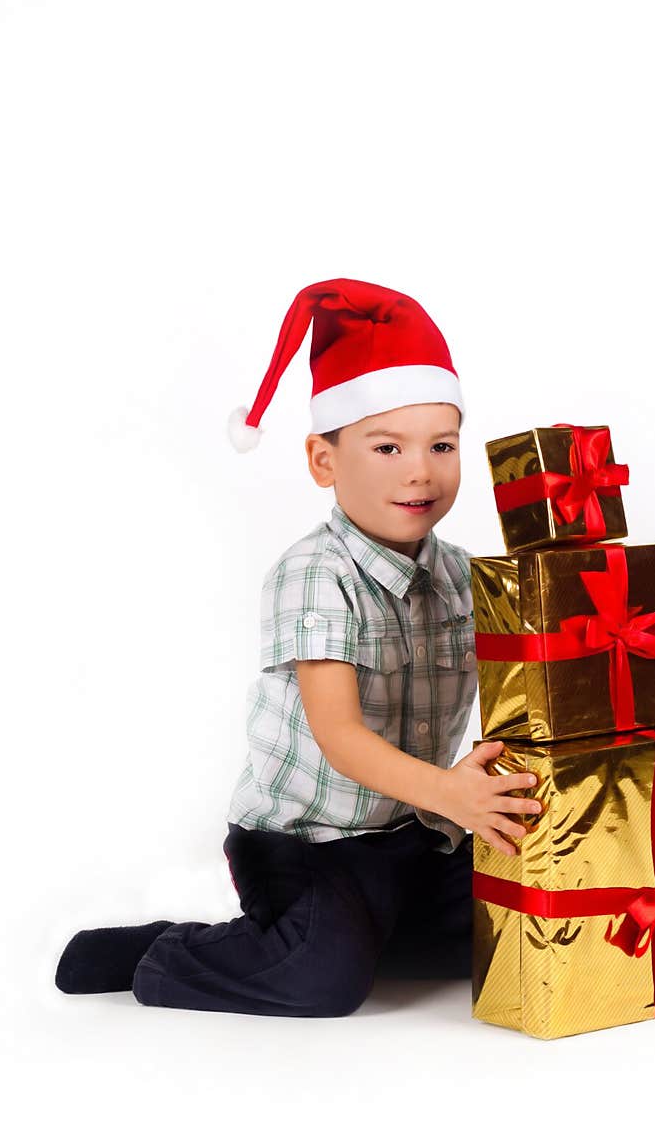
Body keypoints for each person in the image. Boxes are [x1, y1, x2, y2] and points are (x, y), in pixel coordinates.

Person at [55, 277, 541, 1018]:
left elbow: (523, 676)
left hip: (411, 834)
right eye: (388, 446)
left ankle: (370, 931)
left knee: (509, 922)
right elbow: (339, 737)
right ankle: (165, 954)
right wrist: (449, 792)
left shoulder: (460, 574)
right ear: (324, 461)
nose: (421, 470)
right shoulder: (315, 573)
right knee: (324, 981)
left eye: (442, 445)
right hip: (306, 842)